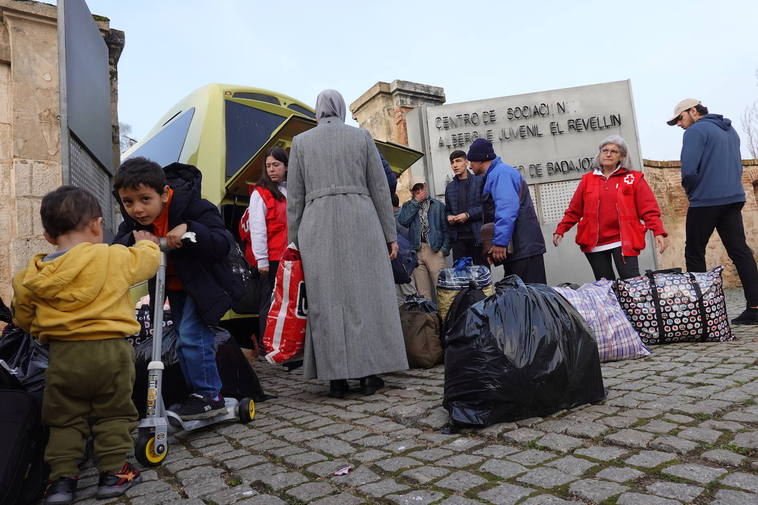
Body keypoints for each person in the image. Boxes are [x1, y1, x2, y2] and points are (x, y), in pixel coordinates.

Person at [12, 186, 159, 504]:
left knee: (64, 418)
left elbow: (21, 318)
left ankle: (62, 482)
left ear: (49, 236)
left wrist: (38, 326)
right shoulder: (111, 257)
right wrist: (148, 246)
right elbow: (145, 266)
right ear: (96, 225)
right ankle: (113, 473)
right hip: (111, 352)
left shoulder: (31, 277)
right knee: (114, 412)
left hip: (64, 355)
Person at [286, 89, 408, 398]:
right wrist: (389, 234)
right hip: (361, 220)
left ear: (317, 110)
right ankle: (369, 375)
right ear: (340, 109)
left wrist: (293, 241)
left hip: (317, 224)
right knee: (365, 296)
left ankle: (335, 378)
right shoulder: (361, 137)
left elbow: (295, 198)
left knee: (326, 300)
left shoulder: (301, 142)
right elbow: (380, 189)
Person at [113, 157, 237, 419]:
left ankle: (210, 396)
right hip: (173, 287)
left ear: (165, 194)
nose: (137, 209)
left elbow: (222, 241)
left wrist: (190, 230)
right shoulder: (135, 223)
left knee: (192, 336)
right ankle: (199, 394)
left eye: (145, 199)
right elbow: (118, 244)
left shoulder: (193, 207)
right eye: (128, 202)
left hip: (203, 285)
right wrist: (133, 240)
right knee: (182, 341)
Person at [668, 98, 758, 325]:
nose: (679, 124)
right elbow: (738, 166)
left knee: (694, 252)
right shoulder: (731, 131)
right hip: (733, 198)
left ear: (693, 111)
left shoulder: (695, 132)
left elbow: (688, 170)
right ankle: (756, 308)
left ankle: (704, 313)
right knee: (740, 252)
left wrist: (693, 191)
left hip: (705, 201)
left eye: (680, 118)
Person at [553, 135, 668, 280]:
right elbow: (574, 210)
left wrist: (658, 231)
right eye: (604, 150)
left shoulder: (633, 178)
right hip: (595, 244)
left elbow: (649, 208)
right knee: (605, 289)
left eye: (614, 151)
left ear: (622, 156)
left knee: (631, 285)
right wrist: (561, 229)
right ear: (599, 154)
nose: (608, 154)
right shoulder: (587, 180)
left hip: (624, 241)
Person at [467, 138, 547, 283]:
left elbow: (506, 210)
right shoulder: (498, 173)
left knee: (531, 298)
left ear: (480, 159)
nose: (470, 166)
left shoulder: (501, 174)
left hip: (523, 250)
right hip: (521, 249)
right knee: (522, 297)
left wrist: (500, 243)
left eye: (471, 160)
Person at [247, 146, 288, 346]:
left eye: (276, 165)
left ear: (286, 166)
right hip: (271, 259)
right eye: (268, 166)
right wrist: (261, 259)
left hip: (290, 257)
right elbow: (257, 228)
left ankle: (285, 342)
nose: (272, 169)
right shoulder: (260, 193)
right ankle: (267, 345)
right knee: (269, 303)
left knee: (287, 302)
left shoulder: (290, 190)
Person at [398, 181, 450, 300]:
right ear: (411, 191)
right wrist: (416, 202)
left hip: (434, 250)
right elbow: (403, 221)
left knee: (442, 290)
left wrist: (443, 250)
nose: (419, 191)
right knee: (423, 293)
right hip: (417, 250)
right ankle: (429, 318)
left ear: (426, 187)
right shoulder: (408, 206)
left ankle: (445, 318)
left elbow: (446, 230)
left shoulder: (438, 205)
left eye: (421, 187)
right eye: (416, 188)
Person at [444, 150, 486, 265]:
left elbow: (485, 206)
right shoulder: (450, 187)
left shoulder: (479, 181)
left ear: (466, 163)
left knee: (481, 274)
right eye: (452, 162)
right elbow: (447, 209)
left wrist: (468, 215)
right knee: (461, 277)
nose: (455, 165)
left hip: (477, 236)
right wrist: (449, 217)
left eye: (458, 161)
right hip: (458, 239)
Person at [392, 192, 418, 304]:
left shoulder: (397, 219)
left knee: (405, 296)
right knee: (407, 295)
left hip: (402, 262)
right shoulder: (405, 214)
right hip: (404, 261)